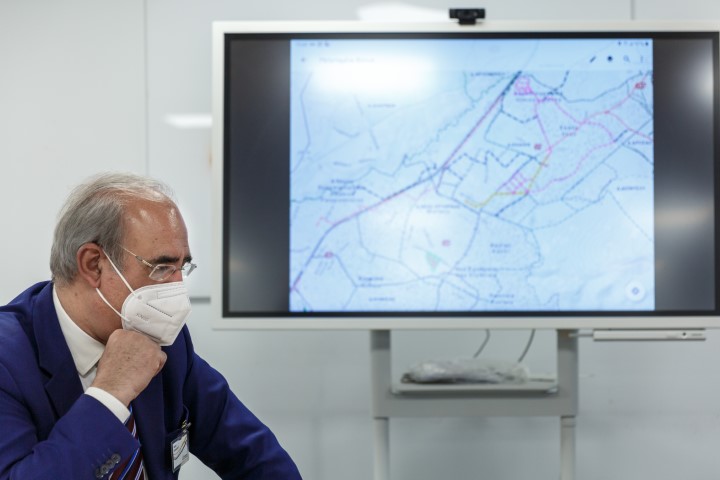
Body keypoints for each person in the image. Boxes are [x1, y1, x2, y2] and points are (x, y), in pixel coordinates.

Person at [0, 172, 302, 479]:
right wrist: (109, 395)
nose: (177, 289)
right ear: (93, 264)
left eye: (182, 267)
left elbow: (253, 454)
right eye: (162, 267)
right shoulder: (8, 361)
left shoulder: (161, 337)